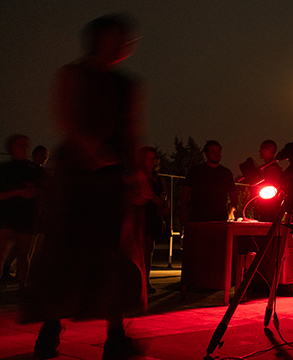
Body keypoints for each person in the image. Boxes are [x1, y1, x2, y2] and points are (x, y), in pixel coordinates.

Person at [20, 14, 146, 359]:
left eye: (125, 39)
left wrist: (135, 176)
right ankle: (50, 326)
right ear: (98, 39)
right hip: (75, 179)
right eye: (114, 37)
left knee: (111, 260)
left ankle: (115, 336)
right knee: (63, 256)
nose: (121, 44)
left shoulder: (128, 85)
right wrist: (88, 147)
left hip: (111, 182)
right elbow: (66, 117)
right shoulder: (74, 74)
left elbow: (131, 132)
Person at [0, 134, 43, 289]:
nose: (25, 148)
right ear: (11, 147)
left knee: (23, 255)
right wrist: (18, 192)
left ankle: (22, 287)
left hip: (26, 217)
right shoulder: (4, 169)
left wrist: (34, 192)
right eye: (21, 145)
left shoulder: (34, 170)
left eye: (26, 145)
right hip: (6, 217)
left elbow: (43, 191)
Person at [179, 140, 238, 223]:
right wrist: (183, 211)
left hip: (219, 217)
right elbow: (185, 192)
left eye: (218, 151)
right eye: (212, 151)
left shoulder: (226, 173)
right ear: (206, 153)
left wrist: (233, 211)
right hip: (198, 216)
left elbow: (233, 195)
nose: (216, 153)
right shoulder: (196, 171)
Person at [137, 146, 168, 295]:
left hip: (153, 217)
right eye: (148, 158)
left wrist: (163, 210)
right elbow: (147, 194)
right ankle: (137, 282)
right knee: (139, 251)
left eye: (153, 158)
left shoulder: (158, 178)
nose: (151, 161)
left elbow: (162, 195)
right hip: (141, 215)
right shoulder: (140, 175)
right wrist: (161, 203)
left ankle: (145, 281)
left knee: (148, 250)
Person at [254, 140, 282, 222]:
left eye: (262, 149)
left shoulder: (271, 168)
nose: (260, 151)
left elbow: (268, 186)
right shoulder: (268, 167)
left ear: (267, 150)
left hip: (269, 208)